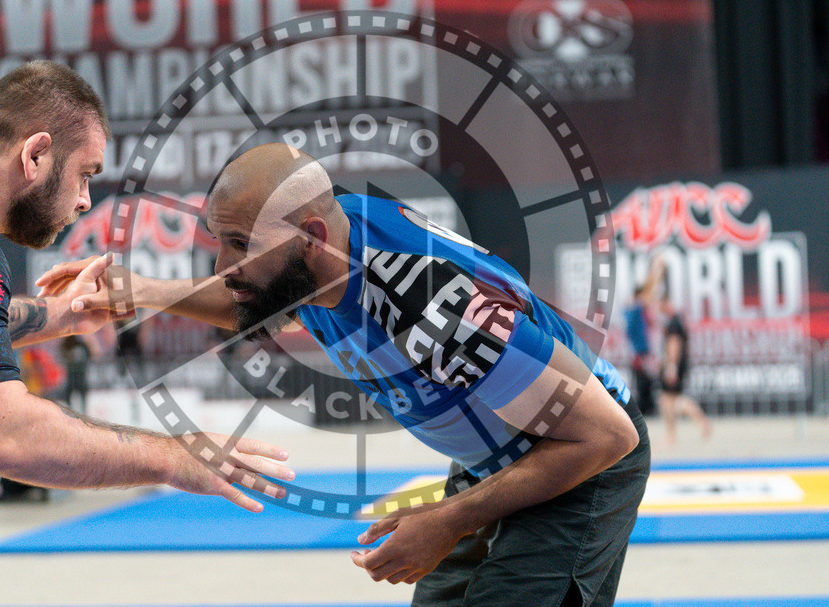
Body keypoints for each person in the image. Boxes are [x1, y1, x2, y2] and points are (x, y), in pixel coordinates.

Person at [41, 143, 650, 607]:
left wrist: (447, 519)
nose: (222, 264)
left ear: (310, 238)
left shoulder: (431, 304)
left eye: (235, 244)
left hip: (575, 459)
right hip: (495, 452)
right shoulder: (322, 247)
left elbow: (608, 437)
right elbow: (253, 295)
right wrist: (141, 291)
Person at [0, 63, 293, 530]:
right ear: (36, 155)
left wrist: (58, 316)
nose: (84, 200)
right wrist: (175, 456)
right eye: (84, 175)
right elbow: (2, 438)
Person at [658, 296, 711, 445]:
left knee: (671, 400)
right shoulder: (677, 320)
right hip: (677, 365)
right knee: (670, 400)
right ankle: (676, 432)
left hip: (674, 366)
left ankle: (673, 434)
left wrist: (671, 366)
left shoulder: (673, 323)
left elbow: (674, 345)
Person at [622, 257, 665, 417]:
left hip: (642, 352)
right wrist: (656, 268)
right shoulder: (635, 308)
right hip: (640, 353)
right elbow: (649, 288)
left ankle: (646, 410)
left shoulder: (634, 309)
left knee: (647, 386)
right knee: (644, 385)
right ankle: (643, 412)